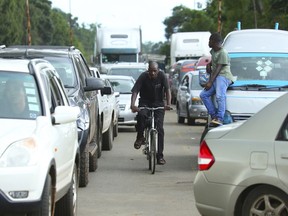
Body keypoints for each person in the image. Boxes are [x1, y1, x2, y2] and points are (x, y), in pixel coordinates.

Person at [130, 61, 171, 165]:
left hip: (159, 104)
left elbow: (167, 90)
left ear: (158, 70)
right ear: (147, 70)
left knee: (160, 129)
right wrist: (132, 104)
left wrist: (168, 104)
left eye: (154, 71)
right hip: (145, 103)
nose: (152, 73)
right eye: (150, 71)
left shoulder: (162, 76)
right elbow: (135, 91)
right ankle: (140, 137)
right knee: (141, 115)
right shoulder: (143, 76)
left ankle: (160, 156)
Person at [200, 32, 235, 125]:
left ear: (214, 42)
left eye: (210, 40)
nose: (208, 42)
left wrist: (210, 82)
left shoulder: (223, 53)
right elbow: (214, 61)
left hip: (223, 76)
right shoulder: (214, 51)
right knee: (204, 95)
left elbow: (218, 69)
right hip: (216, 77)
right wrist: (209, 64)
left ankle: (220, 118)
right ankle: (214, 116)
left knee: (220, 96)